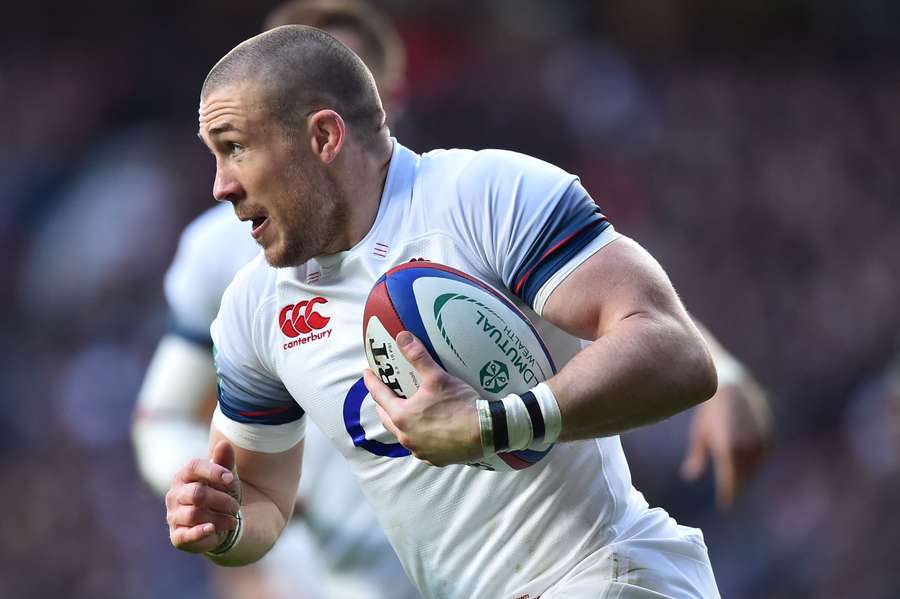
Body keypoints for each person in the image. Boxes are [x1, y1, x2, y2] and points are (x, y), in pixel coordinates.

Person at [166, 25, 725, 598]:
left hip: (600, 572)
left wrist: (488, 426)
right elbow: (263, 497)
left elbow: (675, 352)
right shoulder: (252, 309)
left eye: (235, 147)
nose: (219, 185)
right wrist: (227, 524)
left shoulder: (484, 195)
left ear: (325, 136)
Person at [132, 2, 417, 598]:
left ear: (387, 99)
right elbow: (163, 420)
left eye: (346, 85)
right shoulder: (221, 250)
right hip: (321, 578)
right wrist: (225, 496)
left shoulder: (460, 221)